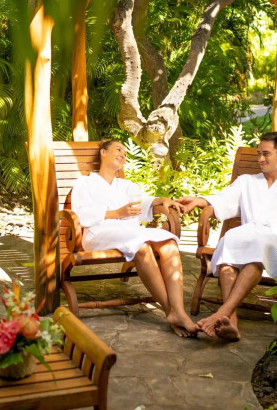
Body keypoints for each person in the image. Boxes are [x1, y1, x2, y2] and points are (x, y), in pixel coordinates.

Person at [176, 131, 277, 342]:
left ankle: (222, 313)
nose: (260, 159)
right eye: (258, 154)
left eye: (266, 154)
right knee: (229, 243)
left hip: (276, 242)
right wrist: (199, 200)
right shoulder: (247, 181)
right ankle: (232, 324)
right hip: (248, 236)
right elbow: (222, 200)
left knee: (259, 249)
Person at [70, 139, 199, 337]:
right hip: (99, 232)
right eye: (118, 149)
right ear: (103, 153)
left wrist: (161, 200)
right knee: (142, 246)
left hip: (129, 232)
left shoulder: (126, 185)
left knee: (169, 243)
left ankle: (178, 311)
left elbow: (143, 202)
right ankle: (170, 312)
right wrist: (116, 213)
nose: (122, 154)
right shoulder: (85, 182)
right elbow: (81, 213)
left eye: (124, 153)